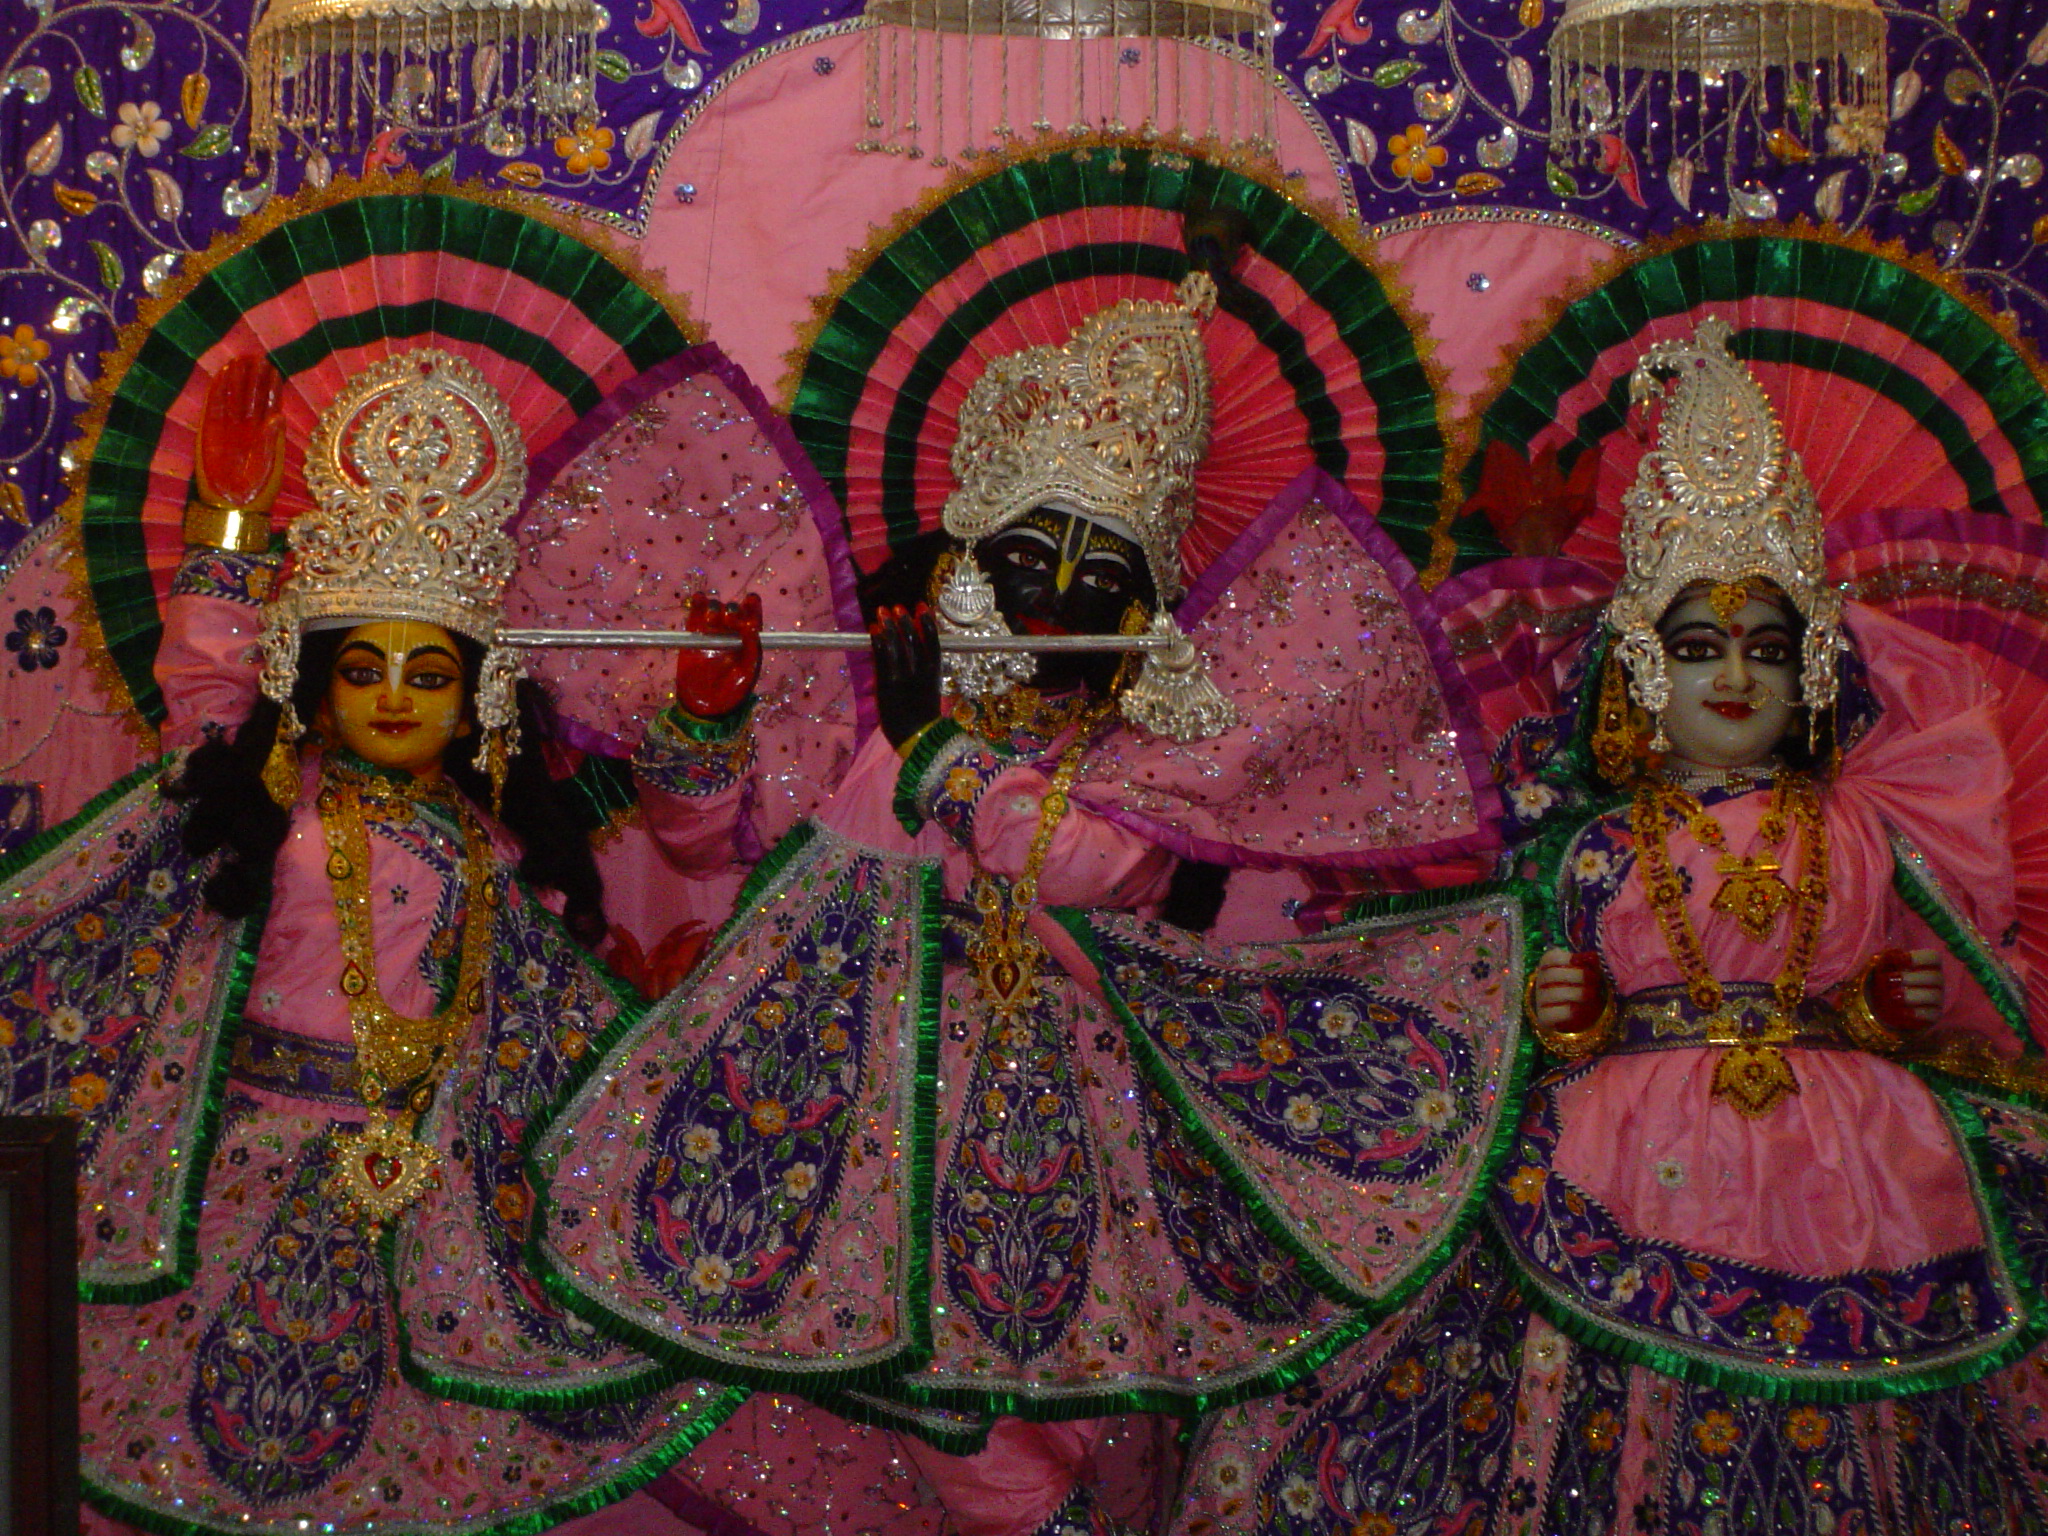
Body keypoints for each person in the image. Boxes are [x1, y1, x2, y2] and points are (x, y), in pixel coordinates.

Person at [529, 266, 1510, 1535]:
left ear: (1140, 613)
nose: (1051, 592)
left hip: (1069, 1138)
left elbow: (1100, 873)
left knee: (1082, 1416)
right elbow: (704, 841)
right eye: (1027, 556)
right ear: (969, 561)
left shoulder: (1140, 760)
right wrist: (706, 720)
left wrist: (934, 749)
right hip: (859, 1126)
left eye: (1096, 573)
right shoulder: (880, 716)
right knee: (927, 1407)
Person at [1167, 319, 2048, 1533]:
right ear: (1638, 671)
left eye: (1764, 650)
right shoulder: (1587, 844)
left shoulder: (1862, 824)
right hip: (1621, 1148)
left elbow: (1944, 992)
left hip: (1857, 1158)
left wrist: (1890, 1004)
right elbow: (1520, 989)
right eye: (1695, 648)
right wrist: (1557, 1012)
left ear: (1810, 674)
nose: (1731, 677)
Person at [7, 349, 735, 1534]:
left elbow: (557, 1004)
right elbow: (207, 692)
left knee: (409, 1471)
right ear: (313, 684)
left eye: (428, 673)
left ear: (476, 700)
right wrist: (230, 523)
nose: (394, 695)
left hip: (423, 1189)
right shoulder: (263, 802)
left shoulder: (495, 849)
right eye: (363, 668)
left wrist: (647, 1007)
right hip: (246, 1162)